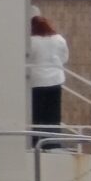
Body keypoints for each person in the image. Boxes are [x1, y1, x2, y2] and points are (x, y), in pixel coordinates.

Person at [27, 14, 70, 149]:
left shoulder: (31, 41)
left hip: (36, 81)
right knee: (53, 114)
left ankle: (36, 141)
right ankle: (52, 142)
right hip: (55, 79)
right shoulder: (59, 39)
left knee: (37, 114)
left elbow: (28, 58)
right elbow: (65, 57)